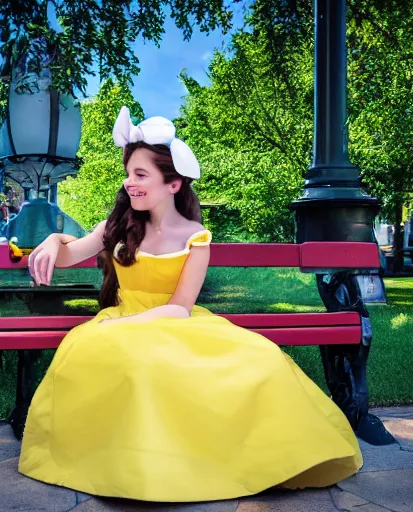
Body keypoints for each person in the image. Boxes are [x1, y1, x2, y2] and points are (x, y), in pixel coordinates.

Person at [19, 107, 362, 503]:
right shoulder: (117, 225)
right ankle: (130, 469)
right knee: (137, 364)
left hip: (173, 320)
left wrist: (126, 326)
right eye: (129, 174)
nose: (130, 183)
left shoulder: (195, 237)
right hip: (122, 318)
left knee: (263, 360)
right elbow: (68, 255)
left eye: (141, 175)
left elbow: (181, 307)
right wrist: (52, 241)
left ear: (173, 184)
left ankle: (241, 460)